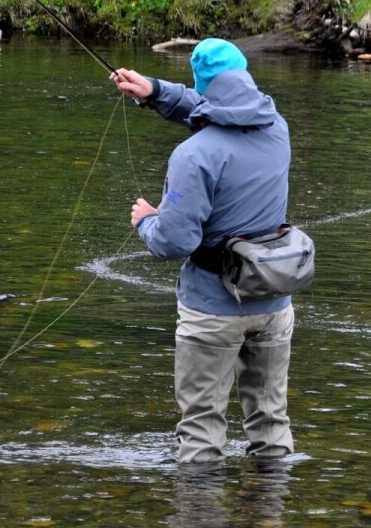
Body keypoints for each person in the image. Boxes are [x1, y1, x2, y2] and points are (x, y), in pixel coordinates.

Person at [111, 38, 295, 463]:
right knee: (272, 426)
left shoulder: (193, 155)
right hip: (275, 302)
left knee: (201, 433)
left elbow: (174, 241)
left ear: (202, 83)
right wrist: (155, 92)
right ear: (243, 75)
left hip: (213, 311)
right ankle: (269, 513)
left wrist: (147, 220)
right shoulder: (276, 126)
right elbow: (214, 106)